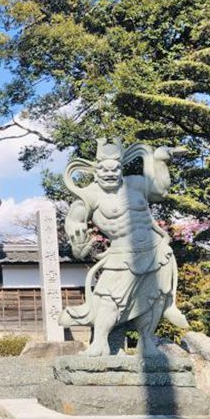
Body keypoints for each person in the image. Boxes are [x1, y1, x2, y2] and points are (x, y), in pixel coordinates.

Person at [60, 139, 189, 357]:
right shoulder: (89, 195)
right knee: (108, 297)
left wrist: (158, 160)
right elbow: (74, 222)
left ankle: (147, 342)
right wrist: (77, 238)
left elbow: (160, 191)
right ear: (95, 170)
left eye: (115, 169)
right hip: (121, 254)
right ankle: (99, 343)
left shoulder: (135, 183)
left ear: (121, 168)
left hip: (156, 249)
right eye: (104, 169)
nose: (110, 174)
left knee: (154, 299)